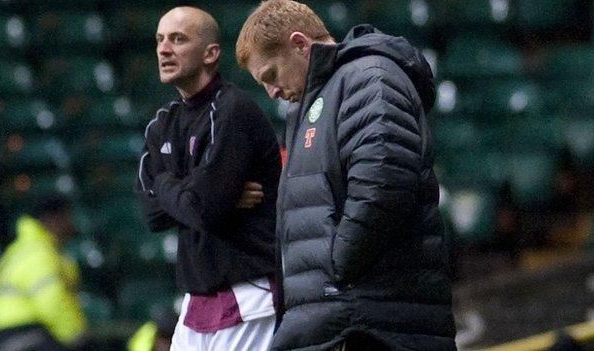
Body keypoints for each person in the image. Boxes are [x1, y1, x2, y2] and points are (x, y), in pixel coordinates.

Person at [236, 1, 457, 350]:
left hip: (370, 325)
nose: (272, 91)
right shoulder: (309, 105)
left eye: (271, 75)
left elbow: (384, 180)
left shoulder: (368, 76)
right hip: (341, 319)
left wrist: (336, 270)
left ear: (299, 43)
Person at [135, 6, 281, 351]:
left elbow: (202, 209)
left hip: (248, 295)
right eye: (159, 40)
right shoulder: (161, 123)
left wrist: (170, 184)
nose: (163, 49)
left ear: (211, 53)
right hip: (195, 300)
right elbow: (152, 215)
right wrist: (202, 191)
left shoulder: (233, 110)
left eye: (178, 39)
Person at [0, 195, 87, 351]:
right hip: (26, 335)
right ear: (54, 219)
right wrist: (76, 337)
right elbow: (52, 301)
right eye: (67, 217)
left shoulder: (20, 249)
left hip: (5, 335)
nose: (71, 223)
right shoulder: (39, 253)